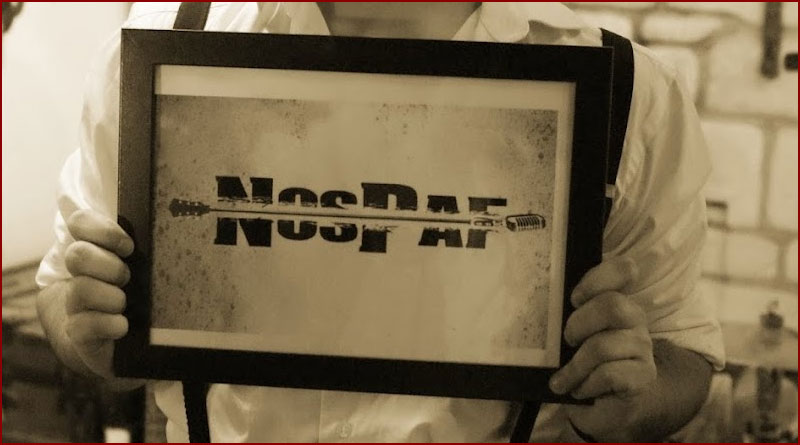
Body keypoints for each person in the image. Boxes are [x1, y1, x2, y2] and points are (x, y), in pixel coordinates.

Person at [36, 2, 723, 442]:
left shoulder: (625, 91)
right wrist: (92, 333)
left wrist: (632, 398)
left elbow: (683, 353)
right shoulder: (167, 47)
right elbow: (61, 293)